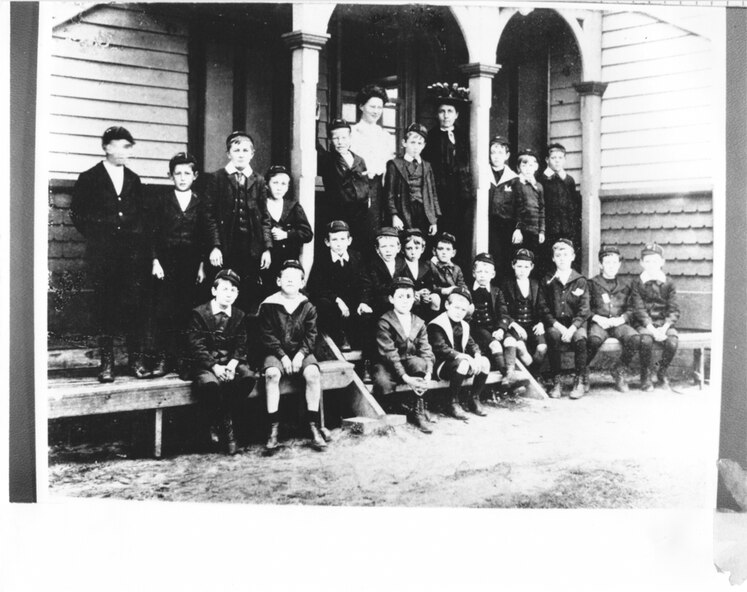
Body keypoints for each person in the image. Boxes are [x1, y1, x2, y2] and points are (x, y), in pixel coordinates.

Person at [70, 126, 149, 382]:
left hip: (131, 256)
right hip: (103, 256)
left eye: (128, 147)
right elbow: (78, 214)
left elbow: (141, 215)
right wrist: (99, 235)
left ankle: (135, 360)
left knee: (134, 305)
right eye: (120, 146)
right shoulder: (89, 178)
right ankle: (107, 364)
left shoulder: (134, 179)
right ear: (106, 147)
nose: (125, 151)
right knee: (106, 307)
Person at [148, 152, 212, 378]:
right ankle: (165, 357)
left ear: (195, 176)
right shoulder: (161, 202)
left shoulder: (200, 203)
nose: (182, 178)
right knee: (166, 310)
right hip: (167, 264)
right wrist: (155, 261)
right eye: (178, 173)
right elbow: (152, 233)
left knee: (187, 310)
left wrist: (202, 264)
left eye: (187, 173)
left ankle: (185, 360)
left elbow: (205, 236)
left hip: (191, 264)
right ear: (170, 176)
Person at [258, 260, 327, 453]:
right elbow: (267, 336)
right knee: (272, 374)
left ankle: (313, 426)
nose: (290, 281)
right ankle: (273, 429)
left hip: (301, 351)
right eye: (286, 277)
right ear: (278, 281)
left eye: (295, 278)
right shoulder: (269, 305)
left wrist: (300, 355)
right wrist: (283, 356)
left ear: (302, 283)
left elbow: (311, 335)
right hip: (275, 351)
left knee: (313, 373)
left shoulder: (308, 306)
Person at [203, 130, 272, 313]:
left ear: (252, 154)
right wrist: (215, 246)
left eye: (245, 150)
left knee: (247, 291)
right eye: (236, 150)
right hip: (226, 246)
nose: (241, 154)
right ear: (228, 154)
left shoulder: (258, 180)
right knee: (225, 289)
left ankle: (244, 328)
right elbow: (209, 215)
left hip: (251, 249)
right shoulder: (217, 178)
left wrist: (266, 248)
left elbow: (265, 217)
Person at [187, 269, 254, 455]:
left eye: (233, 290)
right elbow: (197, 346)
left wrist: (232, 365)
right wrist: (215, 367)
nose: (229, 294)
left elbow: (241, 344)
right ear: (214, 291)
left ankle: (227, 420)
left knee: (248, 378)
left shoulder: (239, 315)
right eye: (224, 289)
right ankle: (221, 425)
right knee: (210, 385)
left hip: (230, 361)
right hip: (206, 364)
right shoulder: (199, 313)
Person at [372, 277, 436, 434]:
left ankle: (418, 411)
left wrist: (428, 372)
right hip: (388, 363)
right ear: (391, 299)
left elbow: (426, 349)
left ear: (414, 299)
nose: (405, 301)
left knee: (420, 364)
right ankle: (394, 410)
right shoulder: (385, 321)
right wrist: (405, 377)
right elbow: (390, 354)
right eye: (400, 296)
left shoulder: (418, 322)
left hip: (408, 360)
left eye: (409, 296)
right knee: (382, 381)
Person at [422, 84, 473, 268]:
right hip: (437, 193)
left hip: (458, 194)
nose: (445, 115)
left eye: (450, 111)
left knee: (457, 232)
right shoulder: (430, 136)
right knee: (437, 231)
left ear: (456, 115)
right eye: (442, 111)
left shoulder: (463, 136)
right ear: (437, 114)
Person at [306, 220, 374, 355]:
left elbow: (365, 283)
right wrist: (337, 299)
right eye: (334, 239)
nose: (339, 244)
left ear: (349, 241)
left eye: (343, 239)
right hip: (334, 304)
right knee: (324, 304)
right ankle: (340, 337)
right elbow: (316, 287)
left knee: (367, 313)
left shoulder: (356, 257)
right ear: (327, 242)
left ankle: (365, 351)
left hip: (352, 303)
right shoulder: (322, 259)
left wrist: (363, 302)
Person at [428, 286, 491, 420]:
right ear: (447, 305)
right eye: (456, 308)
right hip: (441, 365)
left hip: (459, 364)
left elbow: (471, 344)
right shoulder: (437, 324)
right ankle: (452, 402)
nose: (459, 312)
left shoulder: (463, 325)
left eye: (463, 310)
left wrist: (477, 355)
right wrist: (465, 356)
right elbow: (441, 348)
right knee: (463, 363)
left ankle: (474, 398)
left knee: (485, 362)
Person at [587, 245, 640, 392]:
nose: (611, 266)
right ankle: (583, 372)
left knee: (635, 338)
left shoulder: (626, 285)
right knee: (593, 340)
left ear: (619, 264)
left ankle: (619, 369)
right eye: (607, 262)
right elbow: (585, 308)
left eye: (614, 262)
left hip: (618, 323)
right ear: (600, 265)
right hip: (600, 323)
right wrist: (597, 318)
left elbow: (632, 308)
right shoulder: (592, 283)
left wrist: (622, 319)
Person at [543, 239, 591, 399]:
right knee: (553, 336)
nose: (562, 259)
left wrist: (572, 328)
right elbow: (543, 308)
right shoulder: (548, 280)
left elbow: (584, 309)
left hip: (575, 324)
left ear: (573, 257)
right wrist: (558, 326)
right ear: (553, 258)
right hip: (556, 323)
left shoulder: (580, 280)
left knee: (580, 339)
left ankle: (579, 380)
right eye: (558, 255)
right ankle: (556, 381)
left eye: (565, 255)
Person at [629, 243, 680, 391]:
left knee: (672, 342)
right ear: (641, 263)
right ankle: (645, 375)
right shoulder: (637, 283)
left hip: (664, 324)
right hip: (644, 324)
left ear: (662, 262)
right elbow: (639, 309)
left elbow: (674, 309)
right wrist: (652, 329)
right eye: (647, 261)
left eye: (655, 261)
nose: (651, 265)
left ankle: (661, 371)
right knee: (645, 341)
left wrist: (664, 328)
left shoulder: (668, 283)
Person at [317, 119, 373, 253]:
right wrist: (316, 120)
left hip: (360, 213)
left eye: (344, 137)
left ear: (350, 138)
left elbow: (365, 183)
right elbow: (315, 144)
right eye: (336, 138)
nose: (340, 142)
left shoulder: (359, 160)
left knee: (359, 246)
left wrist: (367, 198)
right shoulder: (328, 160)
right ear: (330, 140)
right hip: (339, 212)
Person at [260, 164, 313, 298]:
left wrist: (287, 235)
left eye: (283, 184)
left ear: (288, 187)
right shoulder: (260, 206)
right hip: (266, 261)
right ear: (267, 185)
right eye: (275, 183)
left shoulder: (293, 207)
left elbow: (307, 234)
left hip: (288, 261)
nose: (279, 187)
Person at [384, 122, 440, 237]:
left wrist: (433, 220)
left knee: (422, 241)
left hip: (424, 212)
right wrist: (394, 215)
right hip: (403, 210)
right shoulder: (394, 164)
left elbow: (433, 194)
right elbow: (389, 194)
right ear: (404, 143)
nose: (416, 147)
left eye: (419, 143)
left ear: (424, 145)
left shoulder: (427, 166)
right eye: (412, 142)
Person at [500, 249, 549, 380]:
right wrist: (514, 324)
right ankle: (534, 377)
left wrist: (541, 323)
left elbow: (542, 307)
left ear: (531, 267)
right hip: (515, 326)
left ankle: (532, 374)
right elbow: (502, 309)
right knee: (521, 347)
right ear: (513, 265)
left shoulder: (536, 284)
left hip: (533, 325)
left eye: (526, 267)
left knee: (542, 348)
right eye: (519, 266)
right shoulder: (506, 284)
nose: (522, 270)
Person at [350, 84, 393, 232]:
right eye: (372, 107)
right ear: (361, 106)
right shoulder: (352, 133)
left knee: (376, 229)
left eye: (380, 107)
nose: (376, 111)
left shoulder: (385, 136)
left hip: (378, 189)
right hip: (356, 188)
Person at [468, 253, 512, 379]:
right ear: (474, 273)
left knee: (510, 341)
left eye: (486, 272)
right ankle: (506, 376)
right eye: (479, 271)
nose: (483, 275)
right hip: (477, 329)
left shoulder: (496, 291)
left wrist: (501, 329)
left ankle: (510, 373)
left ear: (492, 274)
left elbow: (503, 313)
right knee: (495, 345)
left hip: (494, 327)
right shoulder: (468, 290)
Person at [540, 143, 582, 273]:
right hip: (549, 229)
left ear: (564, 159)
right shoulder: (542, 179)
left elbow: (573, 205)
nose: (557, 161)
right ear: (547, 160)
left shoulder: (569, 180)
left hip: (566, 229)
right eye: (553, 158)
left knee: (566, 259)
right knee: (549, 260)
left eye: (560, 158)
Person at [487, 135, 521, 279]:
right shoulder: (483, 174)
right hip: (487, 224)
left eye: (500, 153)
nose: (496, 156)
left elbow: (520, 206)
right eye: (493, 152)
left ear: (507, 156)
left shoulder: (513, 179)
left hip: (506, 225)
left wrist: (518, 228)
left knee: (504, 258)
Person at [514, 148, 545, 277]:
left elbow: (542, 209)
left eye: (531, 165)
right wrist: (518, 229)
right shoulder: (517, 184)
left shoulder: (538, 186)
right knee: (520, 258)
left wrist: (542, 231)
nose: (528, 168)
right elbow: (517, 208)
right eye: (524, 165)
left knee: (533, 259)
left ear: (536, 167)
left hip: (535, 230)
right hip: (522, 230)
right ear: (519, 167)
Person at [399, 228, 440, 322]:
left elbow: (430, 282)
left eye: (417, 248)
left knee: (435, 298)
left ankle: (431, 324)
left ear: (422, 249)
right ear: (402, 250)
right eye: (409, 248)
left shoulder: (425, 265)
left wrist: (427, 291)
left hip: (423, 299)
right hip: (408, 298)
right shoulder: (400, 266)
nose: (413, 252)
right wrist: (415, 293)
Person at [368, 226, 407, 316]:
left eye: (392, 246)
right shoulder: (373, 265)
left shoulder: (401, 263)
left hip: (399, 300)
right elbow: (377, 287)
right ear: (377, 249)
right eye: (384, 246)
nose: (388, 250)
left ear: (398, 248)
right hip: (381, 303)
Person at [429, 231, 467, 308]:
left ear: (453, 253)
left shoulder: (456, 269)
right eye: (440, 249)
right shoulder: (431, 266)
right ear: (434, 251)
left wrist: (461, 290)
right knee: (434, 299)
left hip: (453, 298)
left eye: (448, 249)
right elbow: (430, 285)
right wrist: (444, 290)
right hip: (438, 297)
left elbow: (461, 284)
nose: (444, 252)